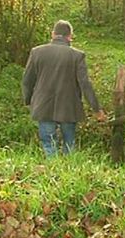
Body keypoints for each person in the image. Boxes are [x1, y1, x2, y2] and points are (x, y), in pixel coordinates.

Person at [22, 20, 106, 157]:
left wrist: (28, 100)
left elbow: (27, 80)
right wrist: (97, 109)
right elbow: (85, 84)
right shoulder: (77, 56)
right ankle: (68, 173)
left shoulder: (37, 52)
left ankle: (53, 173)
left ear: (53, 34)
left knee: (49, 144)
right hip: (69, 107)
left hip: (43, 105)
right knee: (69, 144)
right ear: (70, 36)